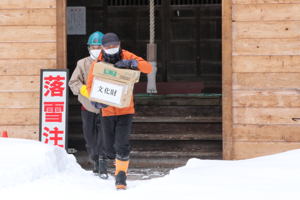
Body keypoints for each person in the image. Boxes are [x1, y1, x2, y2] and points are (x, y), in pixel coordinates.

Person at [83, 32, 152, 189]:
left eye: (114, 45)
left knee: (122, 143)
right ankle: (114, 160)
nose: (112, 48)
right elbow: (90, 85)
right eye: (108, 46)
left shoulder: (126, 55)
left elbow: (147, 68)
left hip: (125, 110)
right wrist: (95, 101)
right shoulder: (98, 62)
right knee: (109, 147)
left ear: (119, 44)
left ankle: (121, 177)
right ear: (103, 47)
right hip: (107, 111)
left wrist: (132, 64)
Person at [68, 31, 107, 176]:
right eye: (93, 46)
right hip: (88, 106)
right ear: (89, 48)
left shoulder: (111, 62)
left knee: (104, 137)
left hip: (106, 108)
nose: (96, 50)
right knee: (90, 139)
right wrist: (83, 89)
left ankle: (102, 163)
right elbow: (73, 82)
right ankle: (95, 159)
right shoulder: (82, 63)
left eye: (99, 47)